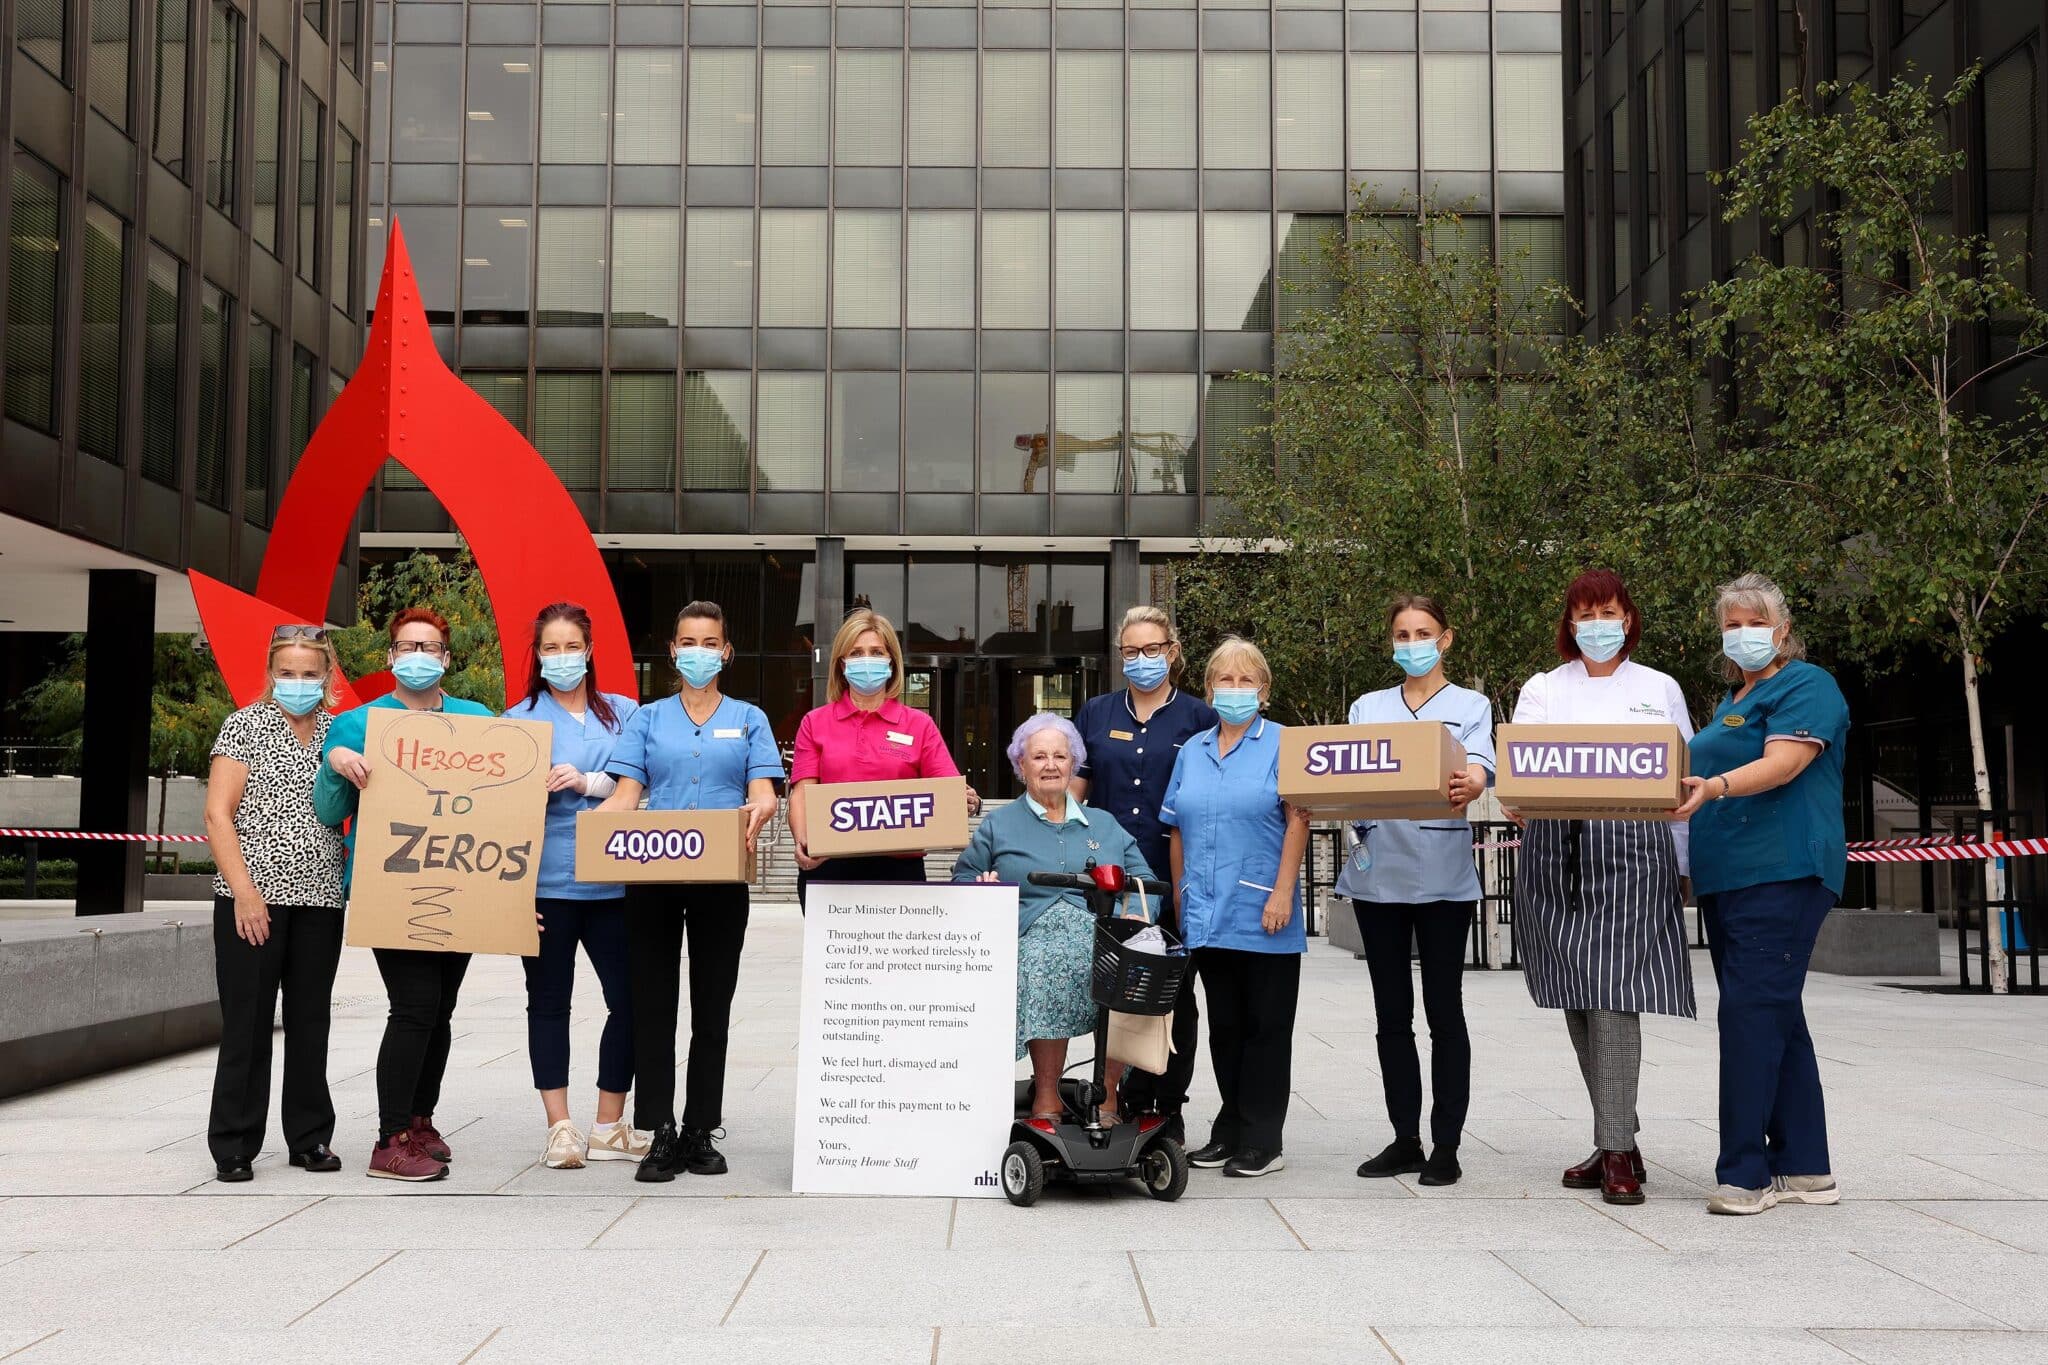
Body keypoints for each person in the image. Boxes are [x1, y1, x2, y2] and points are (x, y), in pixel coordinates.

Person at [1507, 569, 1696, 1206]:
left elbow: (1681, 781)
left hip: (1634, 854)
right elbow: (1524, 770)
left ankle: (1615, 1151)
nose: (1598, 626)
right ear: (1569, 623)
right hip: (1556, 855)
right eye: (1585, 615)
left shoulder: (1659, 688)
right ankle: (1618, 1137)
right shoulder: (1542, 689)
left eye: (1609, 612)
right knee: (1579, 998)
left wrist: (1683, 865)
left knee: (1616, 996)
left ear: (1629, 618)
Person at [1673, 573, 1851, 1216]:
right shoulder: (1732, 700)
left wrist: (1716, 787)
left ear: (1782, 630)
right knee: (1775, 1013)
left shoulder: (1807, 684)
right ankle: (1806, 1167)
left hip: (1782, 872)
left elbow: (1784, 763)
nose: (1742, 633)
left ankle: (1745, 1174)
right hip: (1729, 878)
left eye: (1755, 622)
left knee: (1749, 1015)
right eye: (1732, 624)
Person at [597, 601, 782, 1181]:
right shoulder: (647, 719)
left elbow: (763, 789)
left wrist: (763, 805)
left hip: (721, 878)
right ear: (673, 651)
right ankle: (659, 1130)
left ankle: (701, 1128)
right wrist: (589, 831)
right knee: (652, 1005)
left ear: (726, 652)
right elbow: (626, 796)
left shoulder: (749, 718)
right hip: (652, 875)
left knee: (712, 1006)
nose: (698, 652)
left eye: (709, 643)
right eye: (688, 642)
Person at [314, 606, 495, 1183]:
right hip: (390, 886)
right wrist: (335, 764)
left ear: (446, 657)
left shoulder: (477, 721)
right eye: (408, 647)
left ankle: (420, 1121)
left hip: (460, 882)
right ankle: (389, 1140)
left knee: (440, 1009)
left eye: (430, 647)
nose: (419, 656)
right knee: (414, 1005)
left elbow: (497, 806)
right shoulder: (358, 724)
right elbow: (329, 812)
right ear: (391, 656)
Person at [1339, 596, 1494, 1188]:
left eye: (1422, 633)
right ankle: (1405, 1138)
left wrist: (1473, 780)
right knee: (1391, 1015)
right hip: (1378, 874)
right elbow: (1347, 770)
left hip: (1443, 879)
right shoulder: (1367, 707)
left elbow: (1479, 768)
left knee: (1444, 1011)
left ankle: (1446, 1144)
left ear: (1445, 639)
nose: (1412, 644)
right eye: (1402, 634)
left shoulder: (1470, 705)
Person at [953, 714, 1158, 1121]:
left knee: (1135, 966)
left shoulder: (1104, 824)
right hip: (1030, 935)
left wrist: (1135, 912)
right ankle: (1046, 1093)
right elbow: (963, 876)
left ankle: (1108, 1092)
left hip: (1102, 934)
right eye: (1039, 756)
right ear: (1021, 765)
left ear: (1073, 764)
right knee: (1045, 961)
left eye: (1060, 757)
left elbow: (1145, 882)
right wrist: (983, 888)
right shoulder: (999, 823)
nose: (1050, 765)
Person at [202, 626, 351, 1183]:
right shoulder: (243, 726)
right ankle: (234, 1143)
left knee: (311, 1020)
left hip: (321, 897)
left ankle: (310, 1138)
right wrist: (245, 893)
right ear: (271, 673)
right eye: (287, 672)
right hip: (252, 899)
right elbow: (218, 814)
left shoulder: (339, 733)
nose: (298, 682)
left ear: (327, 676)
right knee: (247, 1020)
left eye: (309, 673)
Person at [1159, 636, 1311, 1178]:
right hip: (1206, 910)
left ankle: (1263, 1139)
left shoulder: (1285, 744)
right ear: (1209, 689)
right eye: (1225, 679)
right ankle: (1230, 1128)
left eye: (1247, 680)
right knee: (1225, 1028)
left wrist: (1283, 891)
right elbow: (1176, 827)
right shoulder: (1192, 751)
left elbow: (1299, 819)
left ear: (1264, 691)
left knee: (1265, 1028)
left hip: (1264, 910)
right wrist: (1180, 893)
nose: (1235, 688)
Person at [501, 602, 645, 1170]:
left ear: (589, 651)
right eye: (550, 648)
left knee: (630, 1001)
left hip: (617, 884)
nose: (562, 657)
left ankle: (609, 1125)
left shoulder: (626, 714)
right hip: (546, 887)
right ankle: (559, 1127)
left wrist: (588, 781)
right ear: (537, 656)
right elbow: (499, 812)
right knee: (548, 1003)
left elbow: (642, 780)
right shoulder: (518, 720)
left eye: (571, 647)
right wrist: (511, 894)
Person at [1071, 606, 1217, 1142]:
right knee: (1114, 994)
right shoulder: (1095, 712)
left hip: (1175, 882)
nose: (1141, 660)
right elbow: (1075, 793)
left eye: (1152, 649)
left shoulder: (1200, 718)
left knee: (1174, 997)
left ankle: (1166, 1106)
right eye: (1131, 651)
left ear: (1172, 652)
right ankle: (1116, 1097)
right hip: (1108, 886)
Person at [787, 609, 977, 905]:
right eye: (856, 652)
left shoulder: (919, 725)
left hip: (899, 870)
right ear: (842, 663)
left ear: (891, 662)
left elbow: (946, 790)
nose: (867, 660)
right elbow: (802, 793)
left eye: (876, 652)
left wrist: (966, 800)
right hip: (829, 866)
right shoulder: (815, 722)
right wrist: (803, 841)